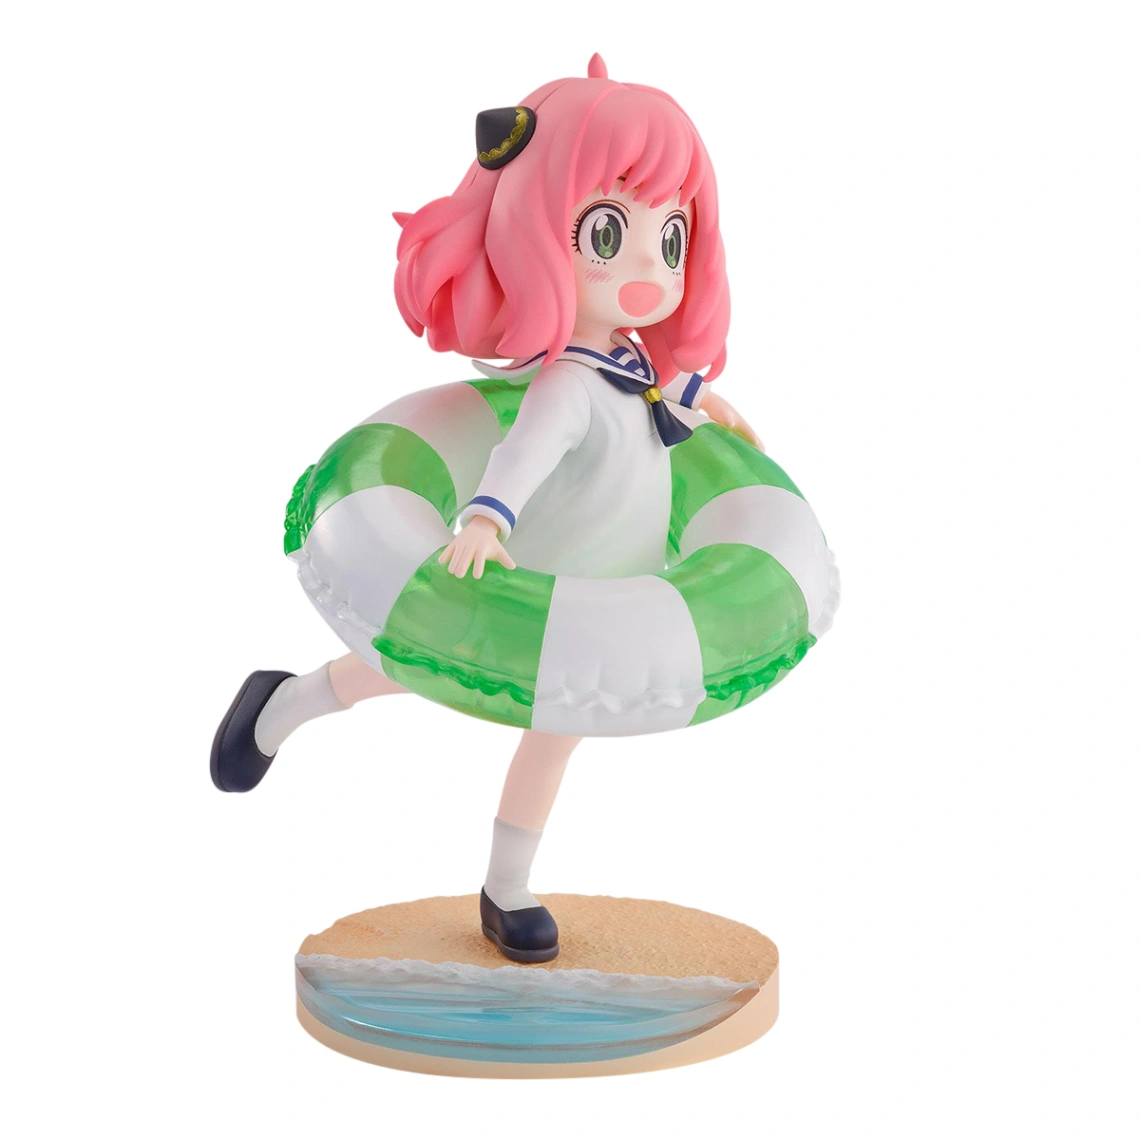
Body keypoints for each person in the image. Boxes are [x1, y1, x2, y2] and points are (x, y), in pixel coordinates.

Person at [211, 54, 758, 963]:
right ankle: (286, 706)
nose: (646, 266)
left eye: (670, 237)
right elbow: (525, 450)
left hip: (612, 594)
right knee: (408, 670)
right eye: (607, 231)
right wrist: (484, 520)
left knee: (555, 734)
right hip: (530, 589)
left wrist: (709, 405)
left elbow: (657, 401)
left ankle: (505, 887)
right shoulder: (568, 386)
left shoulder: (635, 367)